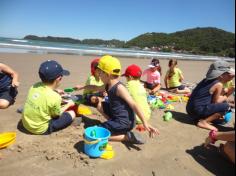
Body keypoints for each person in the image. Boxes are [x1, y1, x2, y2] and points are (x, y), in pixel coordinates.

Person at [76, 55, 159, 144]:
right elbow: (95, 87)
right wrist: (83, 87)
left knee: (97, 133)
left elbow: (134, 104)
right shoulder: (108, 84)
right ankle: (113, 125)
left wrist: (145, 123)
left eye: (100, 73)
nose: (99, 76)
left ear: (107, 74)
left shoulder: (119, 88)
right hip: (116, 115)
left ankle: (126, 137)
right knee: (100, 104)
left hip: (124, 122)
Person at [22, 60, 76, 135]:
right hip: (40, 129)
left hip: (26, 124)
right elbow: (56, 115)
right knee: (72, 113)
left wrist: (55, 90)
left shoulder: (35, 86)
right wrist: (68, 104)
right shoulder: (55, 97)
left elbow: (44, 91)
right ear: (58, 79)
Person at [186, 60, 235, 131]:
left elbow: (210, 98)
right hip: (197, 111)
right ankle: (204, 122)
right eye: (228, 75)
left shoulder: (205, 80)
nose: (230, 78)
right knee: (226, 107)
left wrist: (228, 100)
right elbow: (215, 102)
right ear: (221, 75)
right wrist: (227, 95)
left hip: (190, 109)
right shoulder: (218, 84)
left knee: (224, 103)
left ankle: (202, 119)